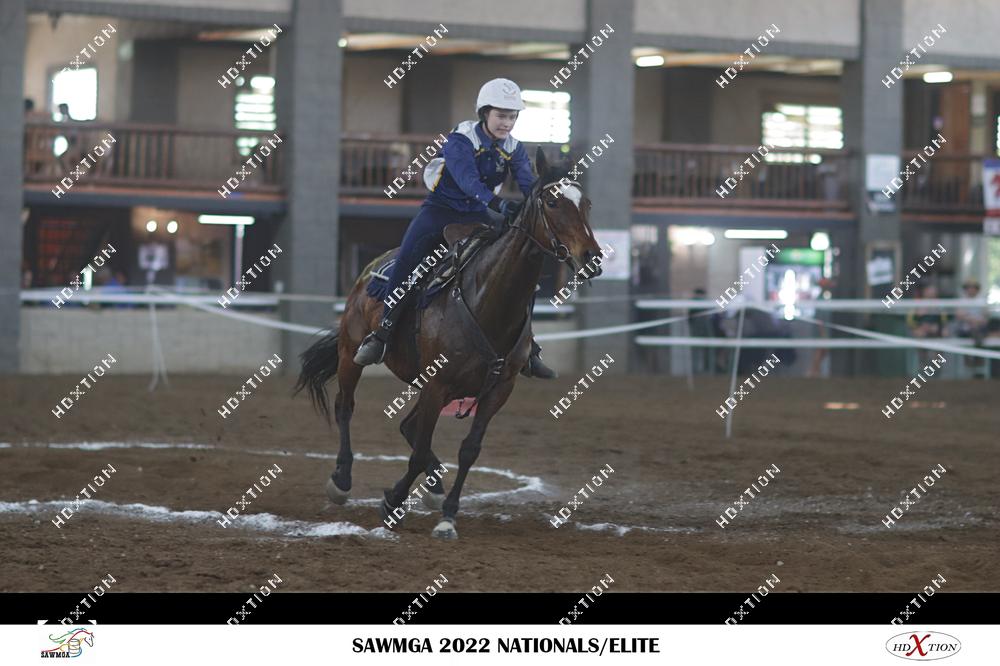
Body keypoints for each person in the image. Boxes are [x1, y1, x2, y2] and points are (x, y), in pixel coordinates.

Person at [353, 78, 556, 378]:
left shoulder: (514, 147)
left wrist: (544, 200)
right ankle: (382, 335)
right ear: (484, 113)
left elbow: (527, 182)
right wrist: (499, 204)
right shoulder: (461, 139)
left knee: (519, 269)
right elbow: (467, 181)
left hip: (478, 215)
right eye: (501, 115)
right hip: (440, 212)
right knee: (407, 262)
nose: (507, 123)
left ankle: (529, 349)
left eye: (512, 117)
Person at [954, 278, 988, 378]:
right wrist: (971, 320)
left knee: (978, 334)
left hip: (979, 328)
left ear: (977, 289)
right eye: (969, 287)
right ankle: (971, 365)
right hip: (965, 330)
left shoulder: (982, 301)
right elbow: (959, 315)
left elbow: (986, 317)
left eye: (973, 287)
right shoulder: (961, 301)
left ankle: (978, 364)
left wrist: (976, 321)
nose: (971, 289)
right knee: (971, 335)